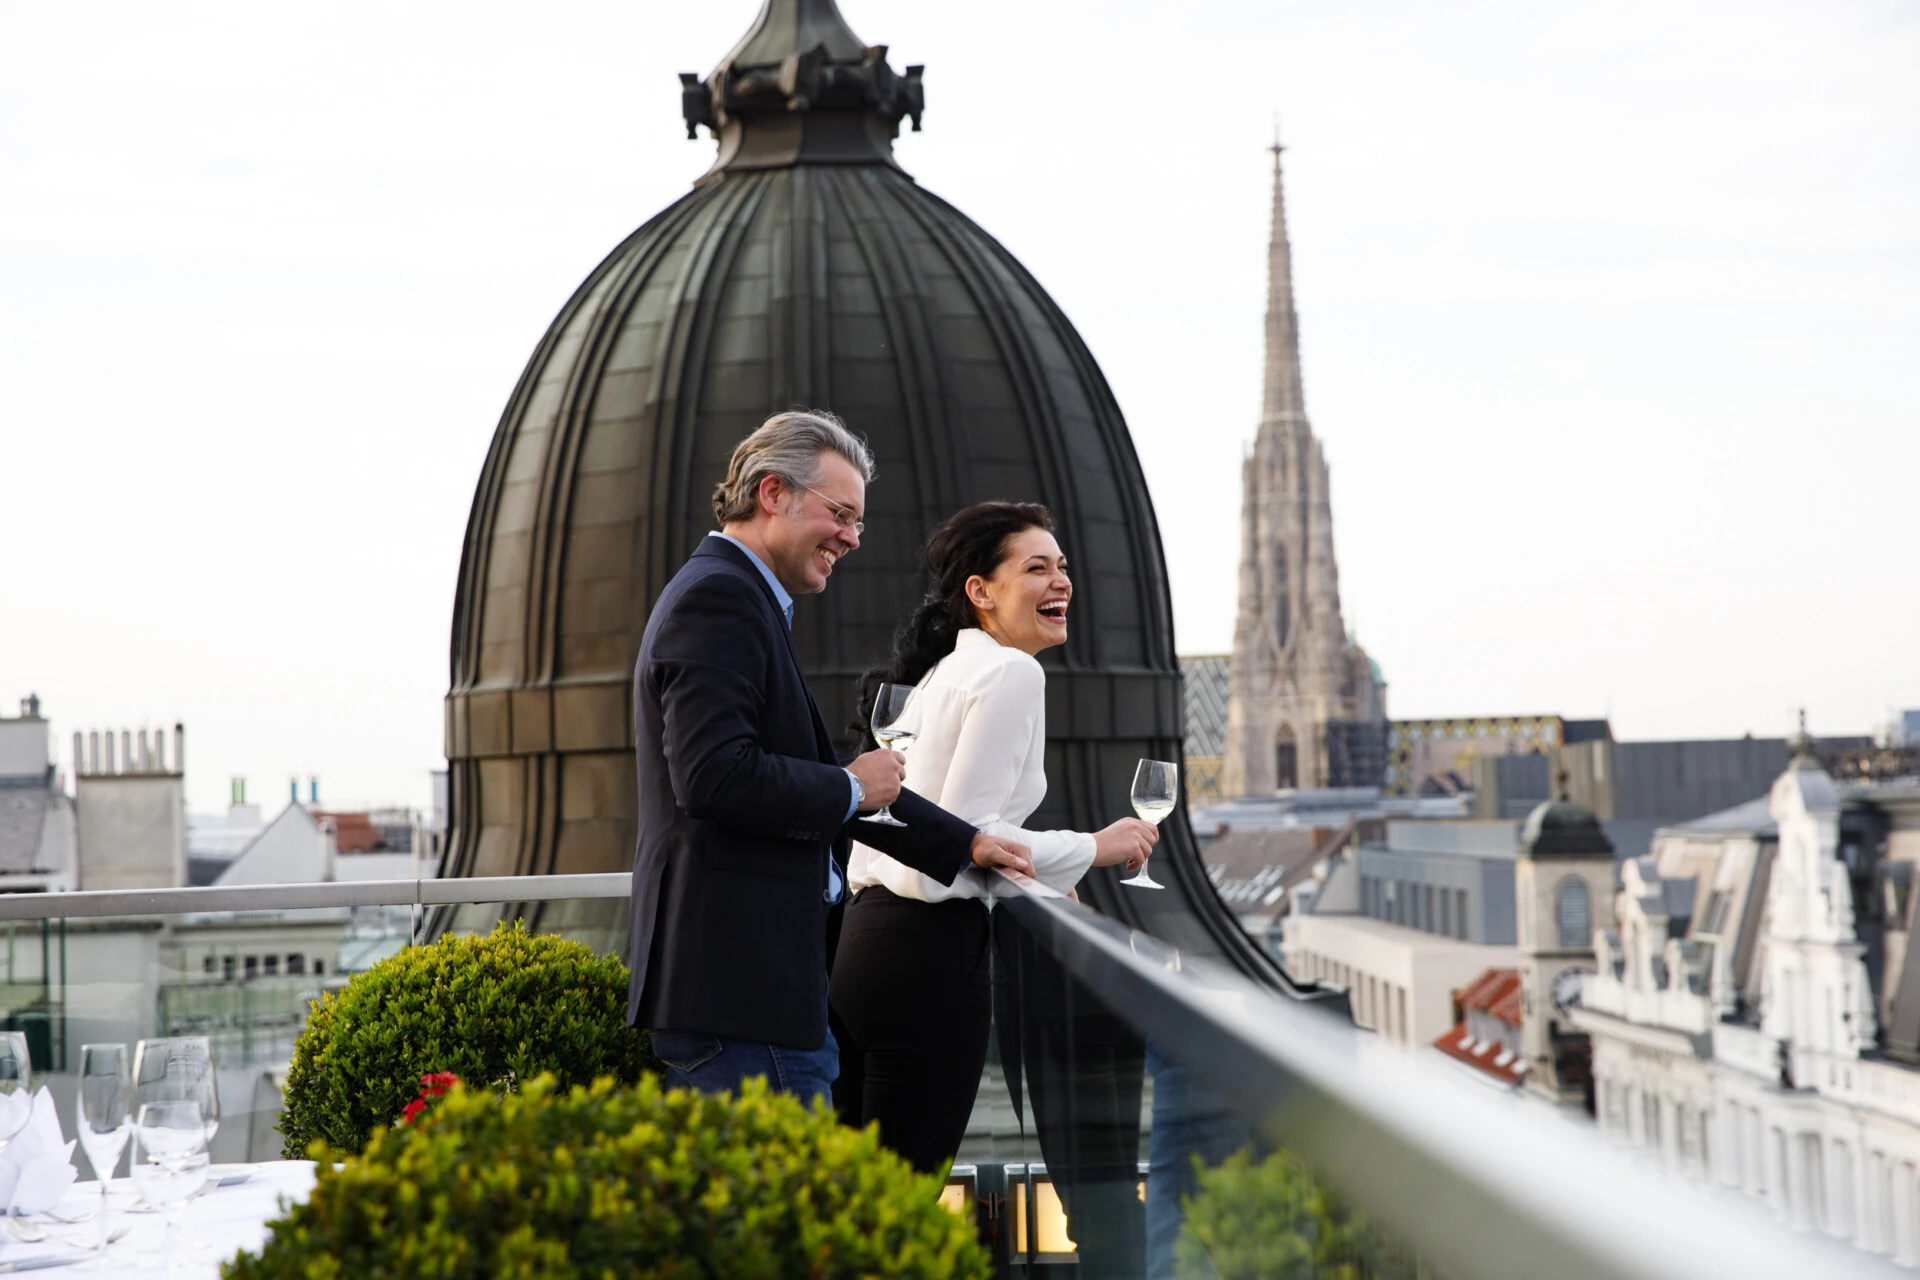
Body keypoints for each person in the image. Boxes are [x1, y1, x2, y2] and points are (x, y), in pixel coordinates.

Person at [626, 411, 1035, 1108]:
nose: (850, 537)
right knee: (777, 1213)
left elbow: (827, 784)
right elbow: (713, 776)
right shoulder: (721, 599)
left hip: (752, 995)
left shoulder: (742, 597)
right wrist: (847, 786)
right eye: (840, 513)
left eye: (859, 522)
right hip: (743, 997)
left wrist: (966, 843)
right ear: (773, 494)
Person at [829, 501, 1159, 1174]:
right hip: (927, 960)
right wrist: (1099, 846)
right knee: (899, 1203)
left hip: (863, 954)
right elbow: (968, 835)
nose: (1060, 581)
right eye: (1036, 568)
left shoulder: (942, 673)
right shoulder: (1012, 672)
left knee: (855, 1199)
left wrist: (1045, 878)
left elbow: (941, 825)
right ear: (980, 592)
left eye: (1063, 567)